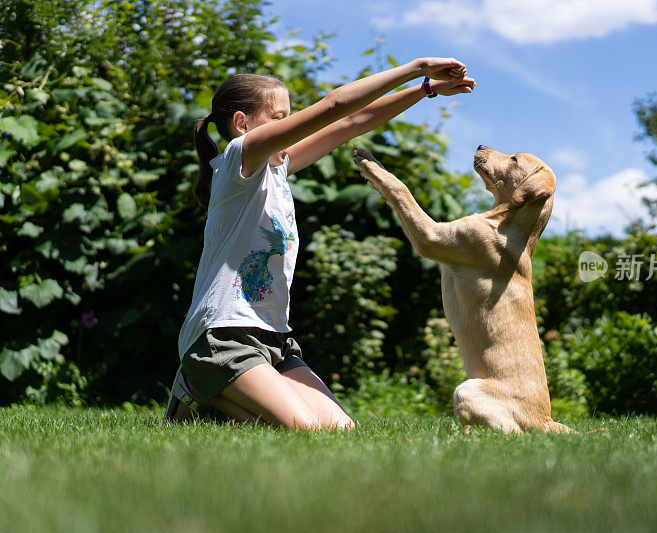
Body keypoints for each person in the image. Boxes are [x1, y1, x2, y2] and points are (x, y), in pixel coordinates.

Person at [164, 57, 476, 429]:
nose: (291, 127)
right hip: (222, 336)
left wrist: (424, 90)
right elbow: (334, 107)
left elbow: (353, 121)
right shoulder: (238, 160)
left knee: (342, 432)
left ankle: (211, 400)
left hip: (274, 339)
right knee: (303, 430)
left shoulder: (276, 169)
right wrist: (418, 67)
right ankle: (197, 381)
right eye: (280, 118)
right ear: (242, 124)